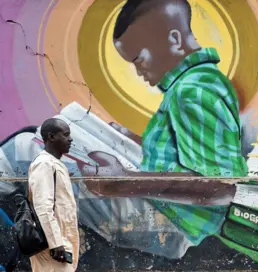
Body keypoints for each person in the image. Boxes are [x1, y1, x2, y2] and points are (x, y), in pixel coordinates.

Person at [77, 0, 247, 253]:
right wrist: (132, 139)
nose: (138, 72)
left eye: (139, 59)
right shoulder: (198, 82)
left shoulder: (193, 90)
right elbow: (186, 156)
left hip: (178, 225)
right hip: (171, 210)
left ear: (175, 40)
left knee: (28, 152)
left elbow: (222, 187)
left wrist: (123, 183)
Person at [29, 118, 79, 272]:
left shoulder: (54, 163)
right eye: (66, 135)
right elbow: (43, 207)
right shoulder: (44, 164)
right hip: (53, 246)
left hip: (60, 243)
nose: (70, 139)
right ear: (51, 137)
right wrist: (56, 243)